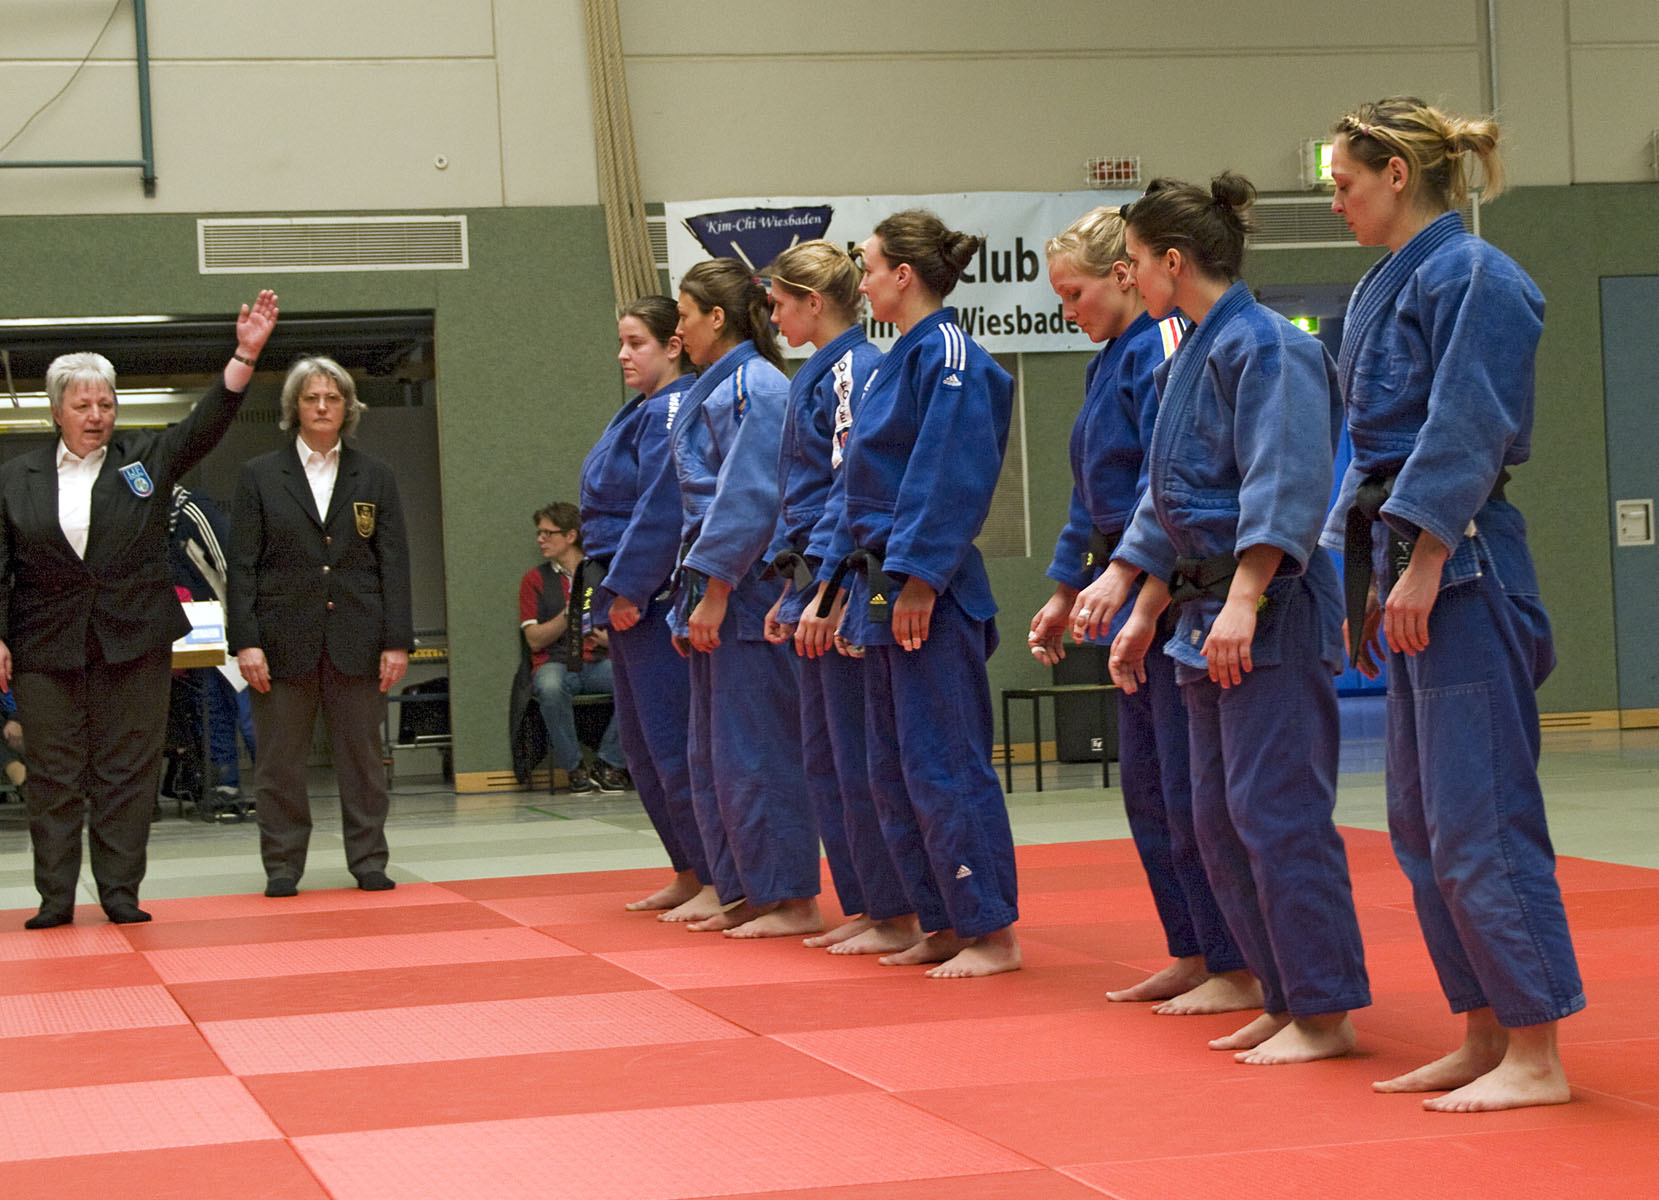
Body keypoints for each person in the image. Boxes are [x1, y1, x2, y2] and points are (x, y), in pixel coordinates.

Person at [1075, 174, 1371, 1062]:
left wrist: (1243, 598)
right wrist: (1136, 592)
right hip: (1198, 610)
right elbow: (1165, 500)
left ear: (1171, 262)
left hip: (1266, 605)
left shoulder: (1271, 347)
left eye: (1132, 262)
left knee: (1276, 813)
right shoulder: (1184, 358)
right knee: (1216, 817)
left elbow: (1286, 483)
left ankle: (1321, 1009)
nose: (1127, 277)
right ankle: (1280, 993)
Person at [1326, 97, 1583, 1112]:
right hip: (1410, 559)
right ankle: (1483, 1031)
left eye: (1345, 184)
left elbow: (1470, 422)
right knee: (1422, 825)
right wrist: (1372, 577)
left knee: (1480, 819)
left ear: (1396, 173)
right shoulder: (1390, 281)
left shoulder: (1476, 274)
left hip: (1463, 560)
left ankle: (1537, 1051)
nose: (1336, 203)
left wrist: (1427, 554)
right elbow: (1372, 454)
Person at [1028, 207, 1256, 1014]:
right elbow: (1089, 498)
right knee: (1149, 790)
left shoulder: (1162, 348)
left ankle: (1235, 961)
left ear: (1124, 275)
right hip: (1122, 589)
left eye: (1075, 293)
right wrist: (1064, 589)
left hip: (1169, 593)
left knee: (1192, 792)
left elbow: (1166, 492)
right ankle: (1191, 949)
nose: (1068, 311)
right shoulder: (1107, 364)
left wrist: (1140, 590)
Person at [0, 289, 279, 928]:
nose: (96, 415)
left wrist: (244, 356)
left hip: (134, 642)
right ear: (57, 411)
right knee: (54, 775)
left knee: (127, 772)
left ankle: (121, 892)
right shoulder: (16, 478)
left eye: (106, 404)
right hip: (45, 647)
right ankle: (56, 898)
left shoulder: (145, 460)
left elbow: (205, 425)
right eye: (82, 405)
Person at [823, 210, 1020, 978]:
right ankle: (940, 919)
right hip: (882, 583)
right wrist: (840, 587)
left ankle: (989, 930)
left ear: (902, 275)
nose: (862, 281)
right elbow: (856, 487)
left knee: (944, 764)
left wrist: (918, 578)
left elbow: (950, 475)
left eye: (867, 265)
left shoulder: (950, 355)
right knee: (893, 769)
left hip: (928, 587)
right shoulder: (892, 361)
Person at [763, 240, 916, 956]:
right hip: (815, 575)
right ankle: (865, 902)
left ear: (813, 302)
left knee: (859, 757)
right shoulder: (814, 372)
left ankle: (895, 908)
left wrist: (827, 592)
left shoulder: (859, 368)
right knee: (824, 758)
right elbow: (797, 496)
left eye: (779, 304)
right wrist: (789, 587)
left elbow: (850, 491)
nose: (773, 318)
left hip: (852, 579)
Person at [670, 258, 822, 938]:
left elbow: (751, 497)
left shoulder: (757, 385)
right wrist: (689, 599)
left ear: (717, 316)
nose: (677, 329)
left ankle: (790, 897)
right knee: (714, 754)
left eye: (683, 315)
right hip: (715, 584)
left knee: (757, 749)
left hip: (747, 586)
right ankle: (744, 889)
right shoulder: (719, 384)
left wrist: (715, 589)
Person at [228, 354, 412, 898]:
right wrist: (246, 641)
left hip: (359, 639)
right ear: (294, 407)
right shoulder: (260, 475)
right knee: (279, 764)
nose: (323, 407)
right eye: (311, 398)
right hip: (281, 642)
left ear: (348, 407)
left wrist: (397, 641)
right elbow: (242, 566)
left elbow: (394, 563)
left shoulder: (375, 475)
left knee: (363, 761)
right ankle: (283, 866)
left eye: (333, 398)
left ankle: (369, 860)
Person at [580, 296, 714, 916]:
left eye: (636, 343)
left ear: (673, 346)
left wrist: (632, 588)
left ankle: (715, 877)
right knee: (641, 748)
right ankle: (687, 870)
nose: (623, 354)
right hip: (625, 591)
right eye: (621, 342)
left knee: (673, 743)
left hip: (655, 596)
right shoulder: (639, 410)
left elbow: (664, 510)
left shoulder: (670, 410)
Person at [519, 502, 627, 794]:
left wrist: (607, 639)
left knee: (637, 682)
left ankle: (609, 762)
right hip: (555, 663)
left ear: (570, 536)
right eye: (539, 533)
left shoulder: (602, 575)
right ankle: (574, 768)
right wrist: (567, 616)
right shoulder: (534, 580)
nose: (540, 539)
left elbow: (623, 630)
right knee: (550, 687)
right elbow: (534, 639)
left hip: (598, 660)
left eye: (547, 533)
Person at [169, 483, 256, 808]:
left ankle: (277, 786)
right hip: (197, 632)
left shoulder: (192, 509)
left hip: (230, 626)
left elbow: (231, 565)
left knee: (250, 714)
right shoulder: (147, 517)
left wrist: (244, 628)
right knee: (211, 710)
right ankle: (225, 786)